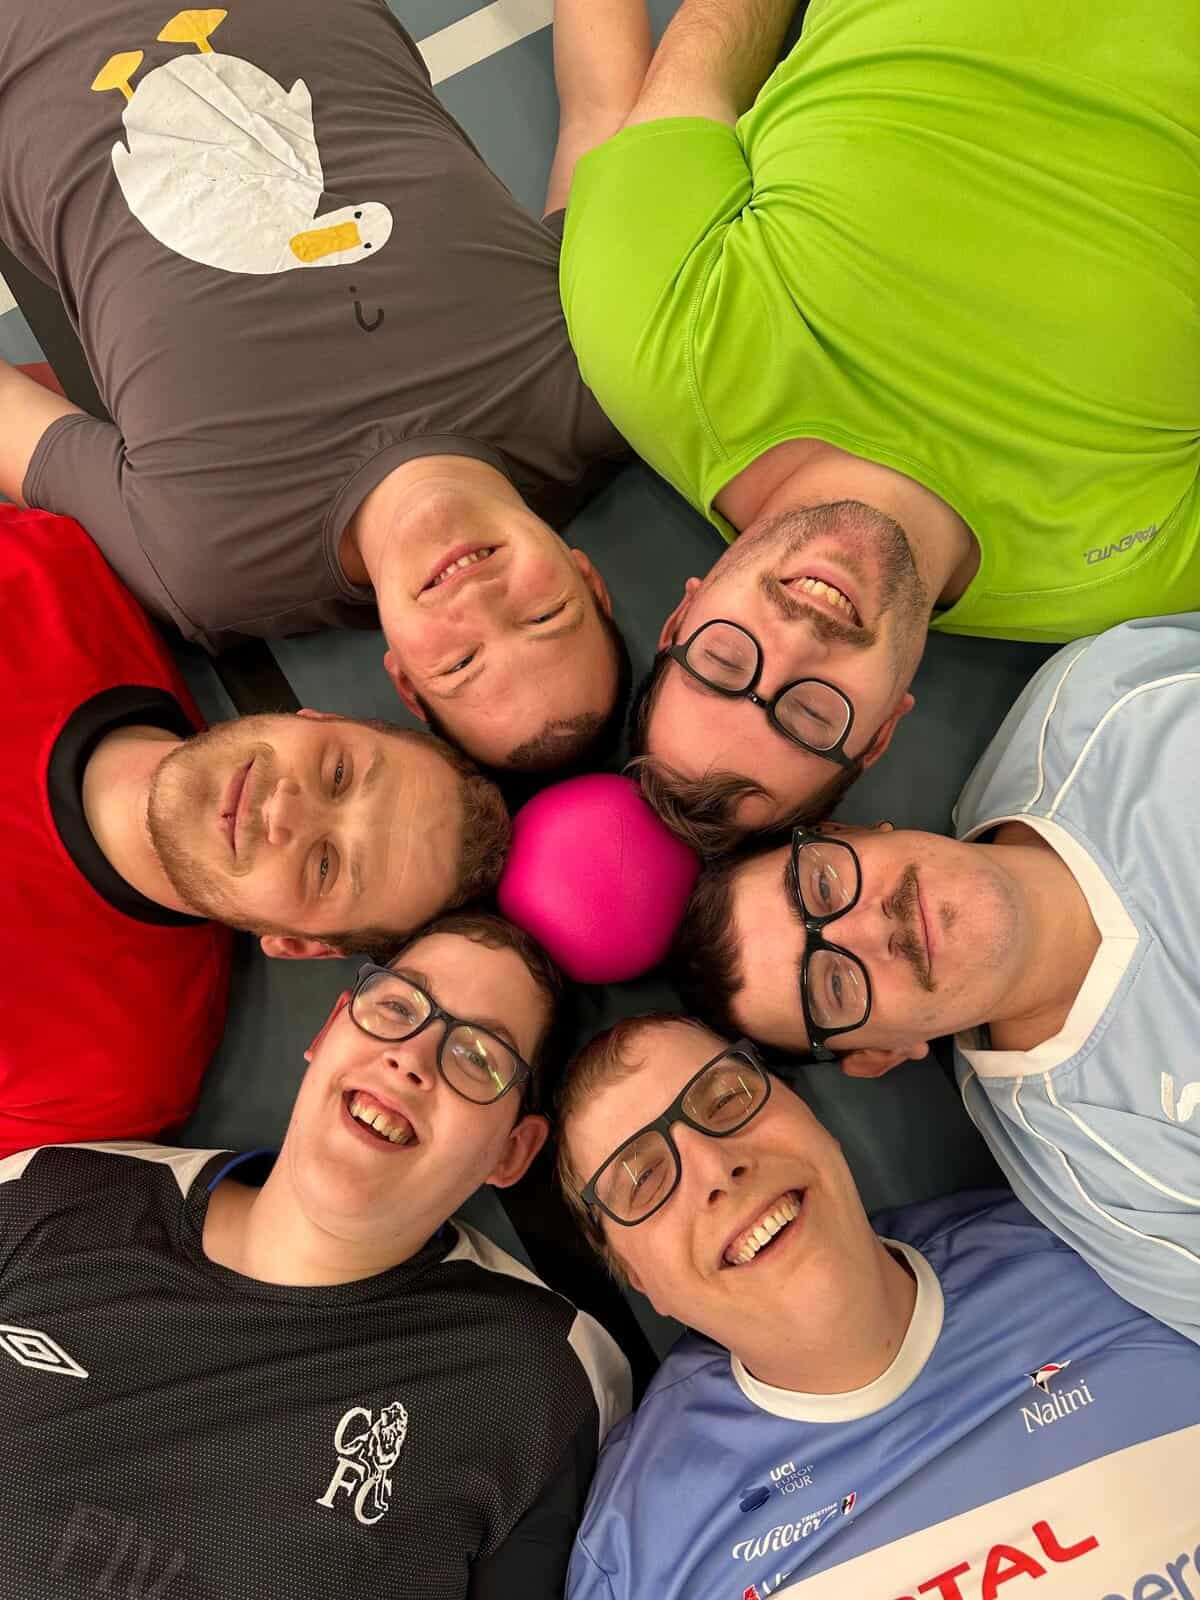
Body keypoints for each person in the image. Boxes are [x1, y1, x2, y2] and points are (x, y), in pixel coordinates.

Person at [558, 0, 1200, 845]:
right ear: (881, 733)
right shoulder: (1132, 570)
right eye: (810, 717)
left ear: (685, 616)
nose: (795, 641)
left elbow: (709, 53)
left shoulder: (647, 347)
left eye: (724, 662)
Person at [0, 0, 648, 772]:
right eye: (544, 617)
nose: (480, 603)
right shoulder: (595, 385)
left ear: (406, 682)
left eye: (461, 663)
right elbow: (607, 118)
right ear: (586, 578)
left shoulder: (212, 561)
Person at [0, 913, 632, 1599]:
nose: (411, 1058)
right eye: (398, 1007)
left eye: (479, 1057)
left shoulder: (540, 1379)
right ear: (329, 1030)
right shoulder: (50, 1194)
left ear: (511, 1151)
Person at [672, 612, 1200, 1341]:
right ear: (881, 1053)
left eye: (823, 886)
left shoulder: (1106, 703)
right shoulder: (1112, 1180)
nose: (870, 928)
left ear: (854, 832)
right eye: (834, 985)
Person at [555, 1016, 1200, 1600]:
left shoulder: (1104, 1237)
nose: (716, 1167)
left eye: (726, 1099)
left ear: (810, 1114)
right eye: (642, 1180)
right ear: (641, 1281)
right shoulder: (638, 1554)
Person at [2, 503, 508, 1157]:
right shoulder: (46, 574)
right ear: (315, 719)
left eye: (326, 866)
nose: (287, 813)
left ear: (298, 944)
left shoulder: (108, 1080)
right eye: (338, 773)